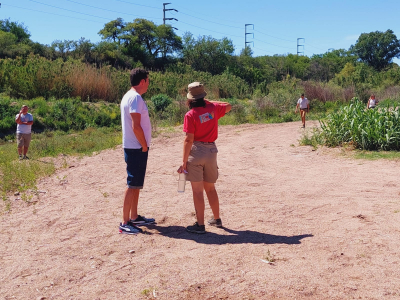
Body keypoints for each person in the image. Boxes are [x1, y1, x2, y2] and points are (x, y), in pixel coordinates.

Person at [177, 82, 232, 234]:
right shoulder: (213, 109)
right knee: (210, 188)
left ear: (190, 99)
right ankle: (217, 219)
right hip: (211, 151)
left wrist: (184, 162)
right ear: (203, 96)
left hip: (196, 152)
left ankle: (200, 225)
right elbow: (228, 105)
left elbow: (188, 140)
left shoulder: (190, 115)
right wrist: (210, 103)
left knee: (197, 191)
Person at [119, 68, 155, 235]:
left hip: (134, 146)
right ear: (142, 81)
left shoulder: (130, 96)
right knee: (132, 184)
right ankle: (125, 222)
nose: (148, 83)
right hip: (136, 147)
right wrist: (144, 145)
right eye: (148, 80)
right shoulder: (135, 98)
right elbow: (136, 125)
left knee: (136, 184)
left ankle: (134, 217)